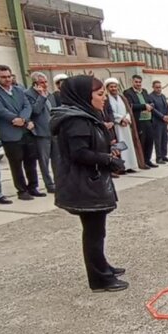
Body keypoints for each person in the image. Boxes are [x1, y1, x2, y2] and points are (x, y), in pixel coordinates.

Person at [50, 75, 128, 292]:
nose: (103, 99)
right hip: (83, 184)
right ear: (85, 95)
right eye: (100, 94)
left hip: (90, 181)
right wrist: (108, 160)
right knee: (93, 232)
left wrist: (106, 149)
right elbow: (79, 153)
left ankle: (103, 267)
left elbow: (89, 146)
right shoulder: (76, 120)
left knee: (97, 230)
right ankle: (99, 279)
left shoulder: (84, 115)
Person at [0, 64, 44, 201]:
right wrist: (15, 119)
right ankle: (22, 191)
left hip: (26, 131)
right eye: (3, 77)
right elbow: (0, 110)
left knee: (31, 161)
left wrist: (23, 120)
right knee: (16, 164)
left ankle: (33, 187)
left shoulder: (19, 90)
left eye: (9, 76)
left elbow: (27, 105)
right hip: (10, 134)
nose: (7, 79)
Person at [25, 72, 55, 193]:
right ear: (35, 83)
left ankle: (59, 181)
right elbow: (35, 111)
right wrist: (41, 96)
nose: (45, 84)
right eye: (42, 82)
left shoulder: (49, 94)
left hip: (53, 131)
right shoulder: (28, 94)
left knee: (57, 160)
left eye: (46, 82)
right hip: (41, 132)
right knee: (44, 161)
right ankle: (49, 184)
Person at [105, 78, 144, 173]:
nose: (113, 89)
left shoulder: (122, 98)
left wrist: (126, 118)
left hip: (126, 125)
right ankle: (120, 167)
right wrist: (120, 119)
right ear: (107, 88)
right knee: (119, 146)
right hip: (116, 126)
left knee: (128, 145)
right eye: (111, 87)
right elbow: (109, 113)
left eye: (115, 86)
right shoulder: (106, 99)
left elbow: (128, 110)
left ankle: (130, 165)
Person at [123, 75, 158, 168]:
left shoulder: (144, 91)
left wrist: (150, 105)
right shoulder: (128, 92)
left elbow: (150, 102)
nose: (138, 84)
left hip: (148, 119)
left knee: (149, 141)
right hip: (139, 121)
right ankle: (142, 162)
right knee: (141, 142)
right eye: (136, 82)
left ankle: (148, 160)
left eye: (139, 82)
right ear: (132, 82)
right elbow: (131, 106)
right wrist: (144, 106)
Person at [149, 80, 168, 163]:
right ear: (153, 87)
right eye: (157, 87)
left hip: (164, 121)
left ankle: (164, 155)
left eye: (160, 87)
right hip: (157, 121)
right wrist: (162, 116)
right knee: (158, 140)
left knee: (164, 139)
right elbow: (153, 109)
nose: (159, 89)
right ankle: (158, 157)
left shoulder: (162, 96)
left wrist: (167, 116)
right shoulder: (151, 97)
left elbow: (167, 106)